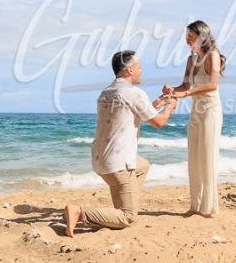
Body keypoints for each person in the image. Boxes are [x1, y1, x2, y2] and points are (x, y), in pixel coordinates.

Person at [63, 50, 176, 237]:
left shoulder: (106, 92)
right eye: (139, 67)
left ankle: (124, 200)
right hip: (118, 165)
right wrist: (170, 106)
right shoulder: (134, 93)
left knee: (143, 165)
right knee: (128, 218)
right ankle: (80, 212)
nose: (141, 71)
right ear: (130, 70)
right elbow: (159, 122)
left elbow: (128, 112)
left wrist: (155, 104)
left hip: (100, 160)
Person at [163, 20, 225, 218]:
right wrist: (173, 90)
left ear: (202, 36)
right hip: (196, 112)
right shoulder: (191, 60)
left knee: (208, 157)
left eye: (190, 36)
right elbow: (185, 85)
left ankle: (210, 207)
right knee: (194, 159)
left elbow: (212, 85)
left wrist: (185, 93)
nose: (187, 40)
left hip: (210, 111)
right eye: (186, 36)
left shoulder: (213, 55)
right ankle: (195, 205)